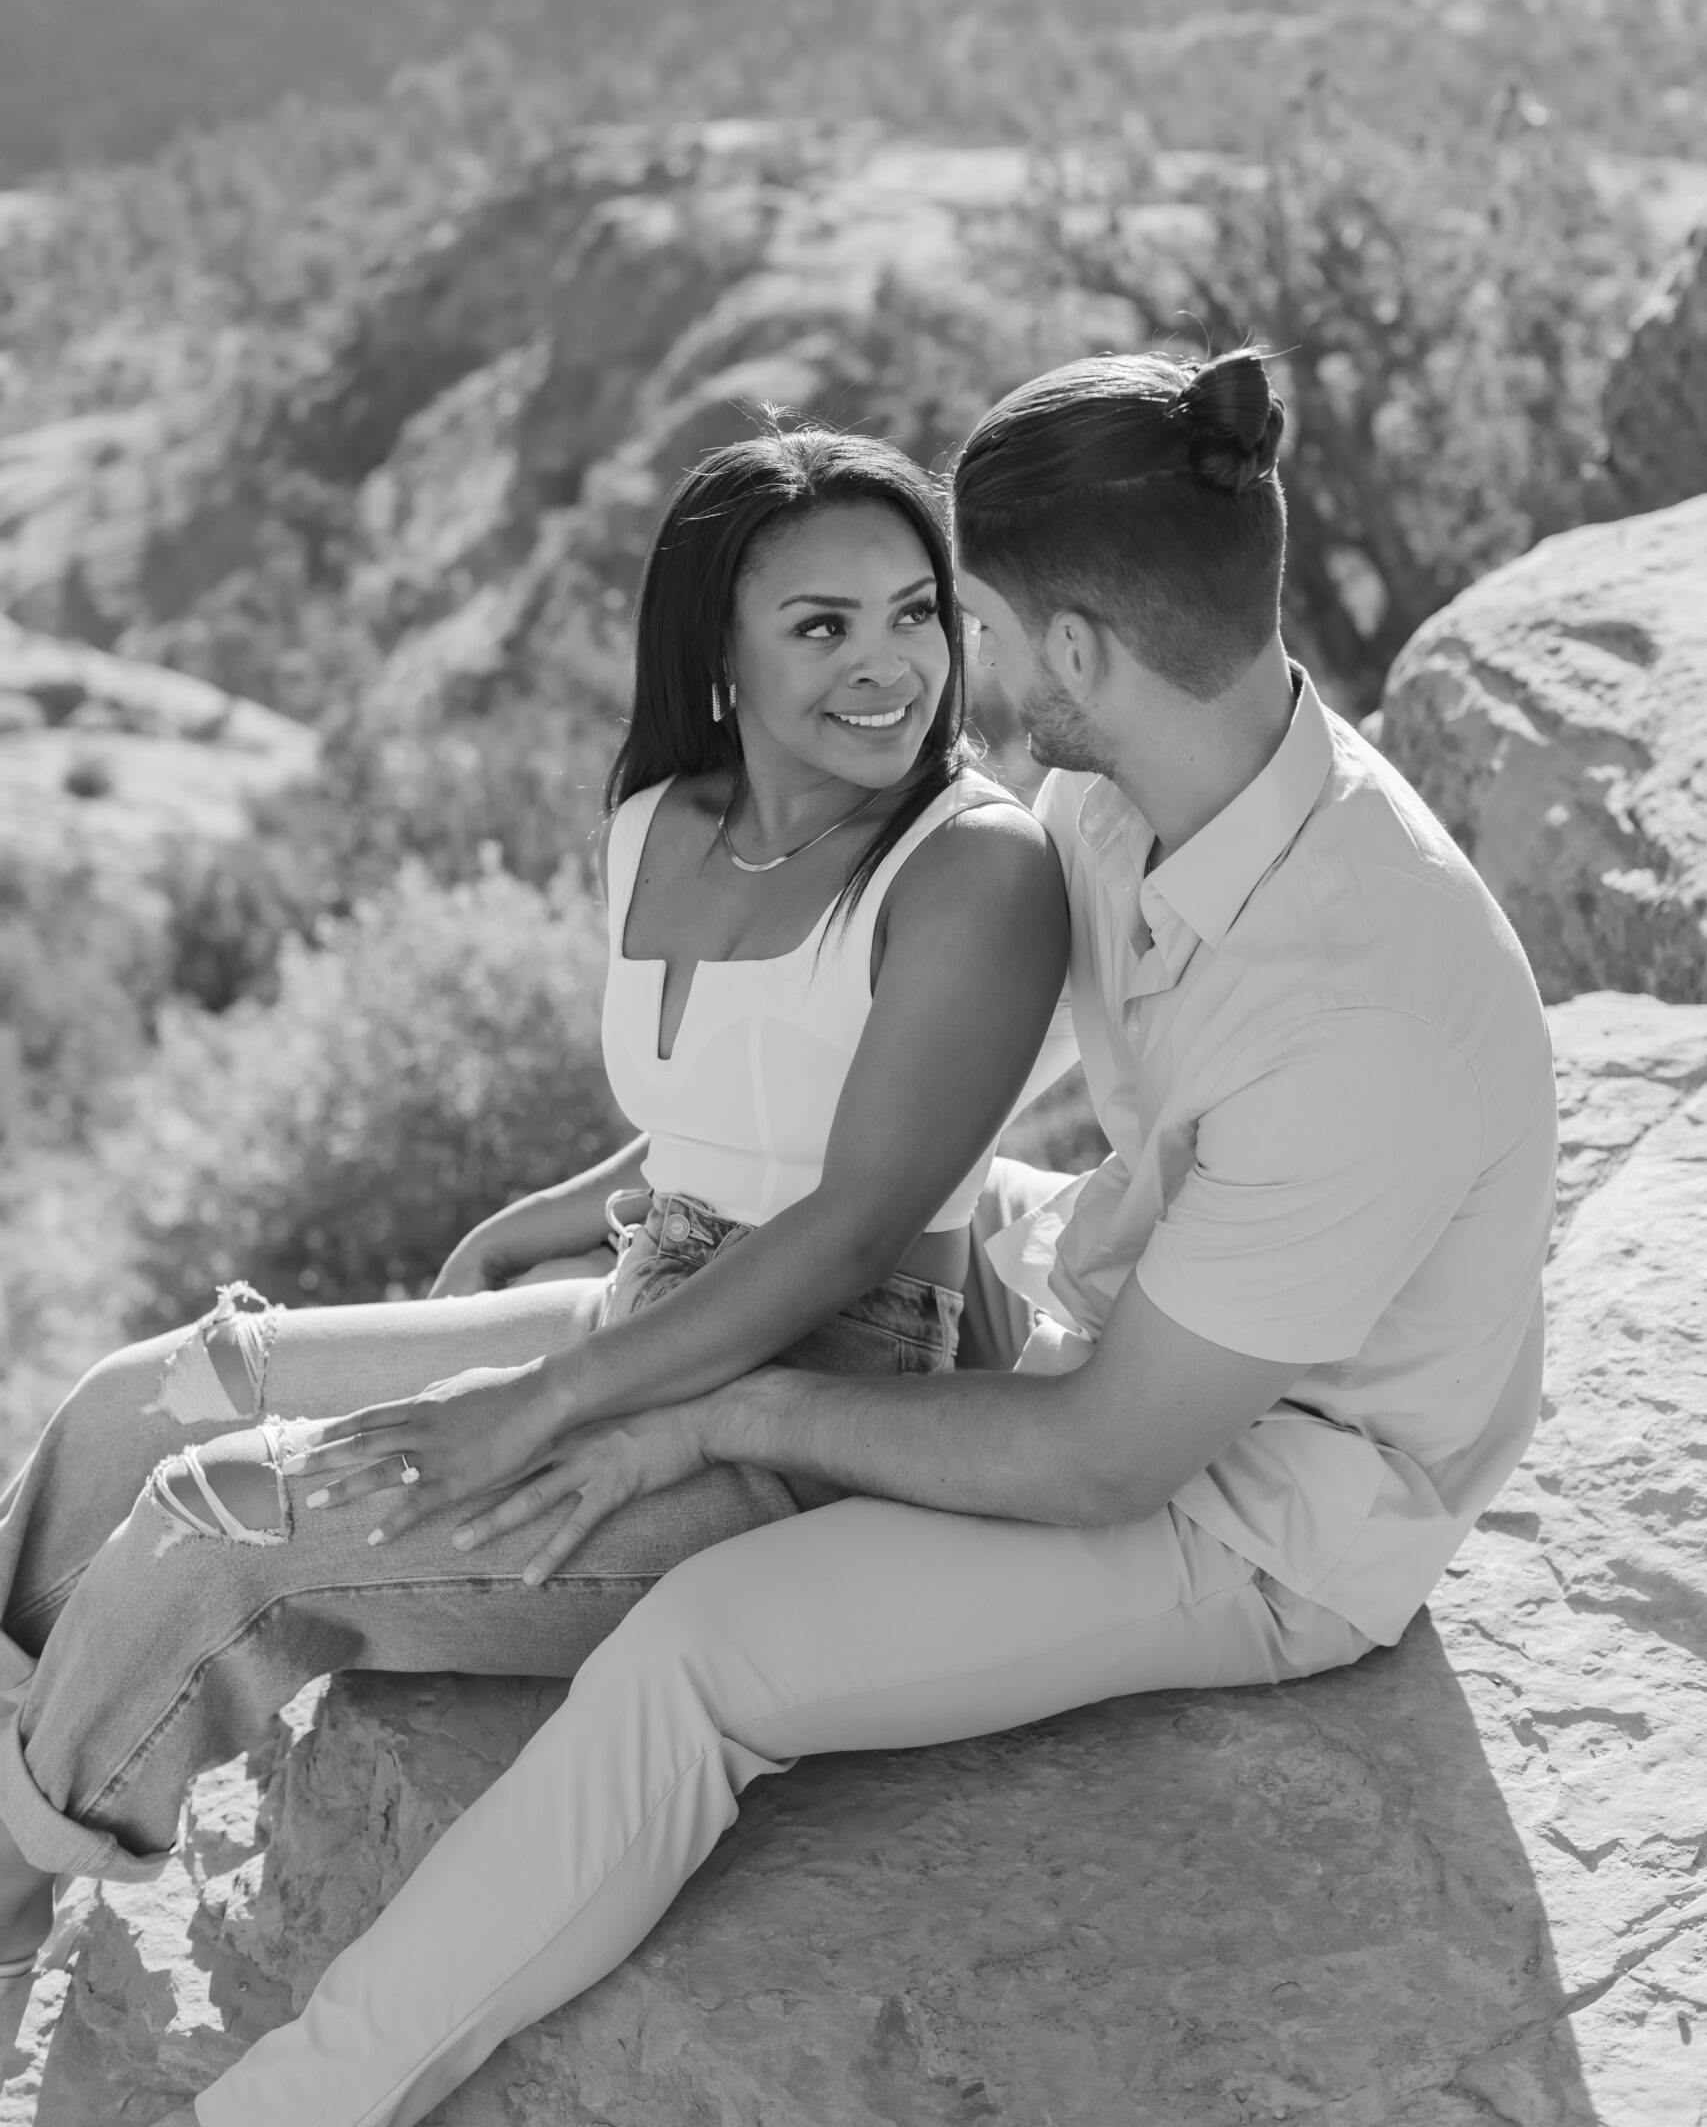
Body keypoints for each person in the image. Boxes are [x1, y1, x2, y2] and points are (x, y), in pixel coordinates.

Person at [148, 344, 1558, 2127]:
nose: (929, 662)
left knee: (704, 1653)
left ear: (1074, 654)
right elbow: (904, 1100)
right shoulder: (1122, 796)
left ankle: (291, 2105)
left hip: (1269, 1502)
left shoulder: (1362, 995)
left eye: (960, 613)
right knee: (667, 1287)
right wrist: (631, 1195)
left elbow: (1112, 1458)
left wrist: (712, 1408)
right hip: (1132, 1276)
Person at [0, 425, 1077, 2034]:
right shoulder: (662, 820)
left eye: (917, 613)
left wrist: (541, 1399)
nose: (889, 668)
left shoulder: (972, 869)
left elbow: (853, 1217)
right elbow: (744, 1089)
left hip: (810, 1392)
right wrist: (572, 1207)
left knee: (217, 1521)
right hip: (647, 1295)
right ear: (712, 643)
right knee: (129, 1407)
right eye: (821, 625)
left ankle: (10, 1897)